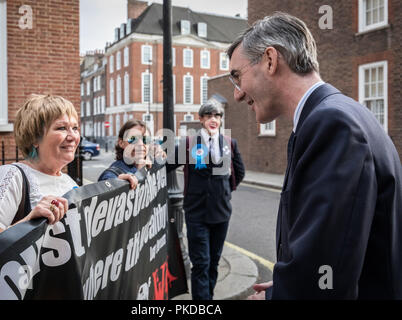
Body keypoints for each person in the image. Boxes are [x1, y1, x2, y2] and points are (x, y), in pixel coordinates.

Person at [227, 12, 402, 299]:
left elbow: (326, 275)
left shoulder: (332, 124)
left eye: (237, 77)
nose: (236, 95)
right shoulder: (340, 113)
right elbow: (338, 256)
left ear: (270, 60)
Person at [0, 94, 80, 259]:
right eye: (61, 128)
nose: (73, 136)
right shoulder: (11, 177)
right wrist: (28, 222)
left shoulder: (70, 182)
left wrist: (121, 190)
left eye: (75, 128)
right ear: (35, 138)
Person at [167, 102, 245, 300]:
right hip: (196, 214)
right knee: (201, 263)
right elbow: (167, 165)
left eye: (217, 116)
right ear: (201, 119)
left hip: (221, 213)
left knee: (213, 263)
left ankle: (207, 298)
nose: (213, 119)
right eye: (208, 115)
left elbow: (240, 171)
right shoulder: (188, 144)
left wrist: (225, 191)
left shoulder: (230, 143)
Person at [98, 119, 155, 188]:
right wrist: (116, 183)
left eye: (145, 139)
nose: (140, 144)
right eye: (133, 139)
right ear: (121, 143)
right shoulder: (115, 171)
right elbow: (107, 180)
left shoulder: (148, 164)